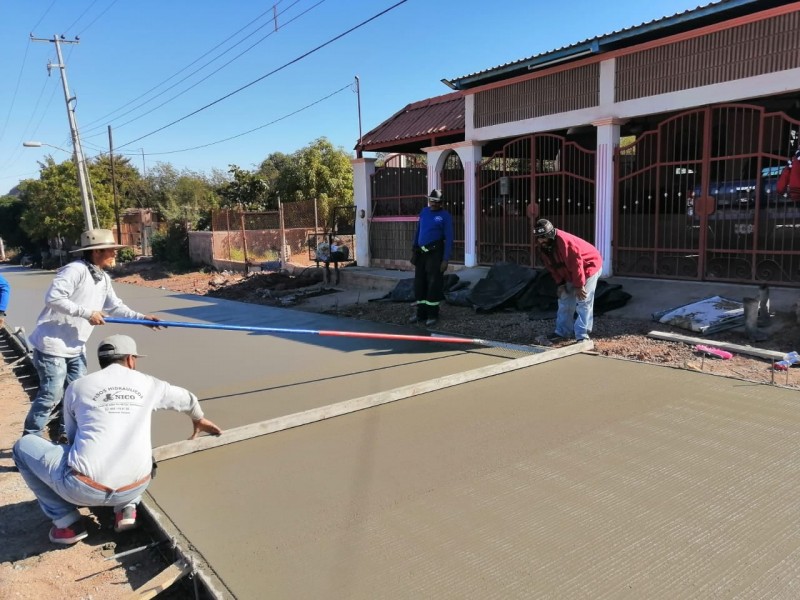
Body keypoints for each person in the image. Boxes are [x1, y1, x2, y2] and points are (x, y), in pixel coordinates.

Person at [13, 334, 223, 544]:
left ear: (102, 361)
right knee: (135, 445)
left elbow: (73, 435)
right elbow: (187, 399)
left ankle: (67, 523)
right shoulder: (150, 384)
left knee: (23, 447)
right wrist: (198, 418)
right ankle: (127, 510)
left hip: (83, 488)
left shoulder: (77, 387)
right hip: (136, 485)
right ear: (131, 359)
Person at [24, 229, 161, 439]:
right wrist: (88, 313)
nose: (115, 254)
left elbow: (116, 306)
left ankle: (65, 433)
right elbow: (53, 298)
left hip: (76, 346)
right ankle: (30, 438)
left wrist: (141, 319)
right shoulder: (74, 270)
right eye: (111, 250)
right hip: (52, 345)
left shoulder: (103, 278)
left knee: (77, 394)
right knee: (52, 393)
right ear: (96, 252)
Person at [532, 219, 603, 343]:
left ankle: (582, 335)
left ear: (550, 235)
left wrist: (579, 285)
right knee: (564, 299)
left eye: (543, 237)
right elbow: (552, 266)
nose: (541, 240)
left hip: (588, 266)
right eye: (538, 238)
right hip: (569, 271)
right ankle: (562, 332)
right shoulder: (543, 247)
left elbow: (577, 264)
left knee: (583, 301)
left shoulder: (565, 242)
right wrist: (560, 283)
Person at [410, 189, 454, 327]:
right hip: (421, 253)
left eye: (436, 202)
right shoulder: (424, 212)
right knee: (419, 282)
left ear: (441, 203)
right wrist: (414, 249)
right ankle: (420, 313)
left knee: (434, 283)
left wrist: (445, 259)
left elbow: (450, 238)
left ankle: (432, 314)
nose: (433, 204)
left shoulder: (445, 216)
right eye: (432, 201)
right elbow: (418, 231)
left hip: (435, 253)